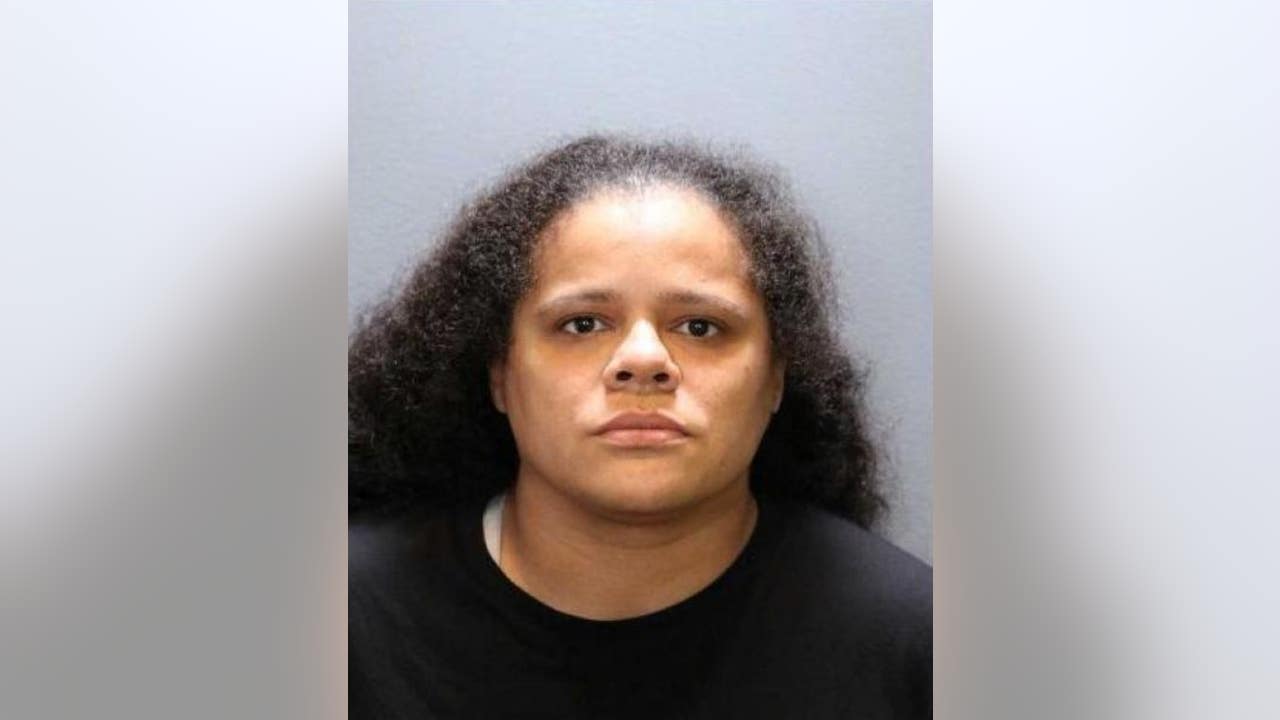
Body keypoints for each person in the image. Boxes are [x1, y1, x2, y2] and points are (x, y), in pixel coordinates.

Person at [348, 135, 931, 718]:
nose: (644, 360)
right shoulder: (343, 623)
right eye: (582, 324)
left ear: (777, 378)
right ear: (499, 373)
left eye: (700, 327)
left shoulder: (914, 642)